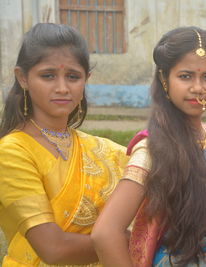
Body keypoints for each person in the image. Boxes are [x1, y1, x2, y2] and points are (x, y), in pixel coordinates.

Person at [91, 26, 206, 267]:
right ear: (164, 79)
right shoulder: (153, 150)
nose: (198, 87)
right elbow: (105, 233)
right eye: (185, 76)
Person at [0, 23, 128, 266]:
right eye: (48, 75)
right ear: (23, 78)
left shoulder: (101, 149)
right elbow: (54, 249)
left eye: (73, 76)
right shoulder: (12, 151)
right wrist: (133, 241)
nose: (62, 88)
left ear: (86, 79)